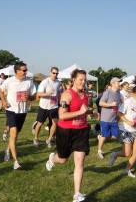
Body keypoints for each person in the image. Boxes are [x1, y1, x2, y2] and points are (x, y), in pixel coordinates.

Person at [45, 69, 91, 202]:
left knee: (80, 161)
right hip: (66, 131)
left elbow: (83, 111)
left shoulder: (85, 95)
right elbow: (62, 115)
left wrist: (90, 112)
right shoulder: (66, 95)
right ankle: (52, 158)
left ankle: (77, 194)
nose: (83, 82)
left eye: (84, 79)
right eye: (81, 79)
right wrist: (80, 112)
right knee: (63, 159)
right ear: (74, 80)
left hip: (82, 130)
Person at [108, 75, 136, 178]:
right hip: (125, 129)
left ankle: (127, 169)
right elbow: (119, 113)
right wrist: (128, 121)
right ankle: (115, 154)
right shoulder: (128, 101)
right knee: (127, 153)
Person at [0, 62, 36, 170]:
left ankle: (7, 150)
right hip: (11, 110)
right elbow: (1, 90)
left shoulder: (29, 82)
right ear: (17, 71)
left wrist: (28, 97)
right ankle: (16, 162)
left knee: (15, 136)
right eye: (24, 70)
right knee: (14, 134)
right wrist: (3, 101)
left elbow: (34, 96)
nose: (26, 72)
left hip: (22, 112)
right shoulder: (9, 81)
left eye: (26, 70)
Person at [32, 67, 60, 148]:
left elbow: (58, 93)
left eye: (57, 73)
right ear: (50, 73)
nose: (55, 75)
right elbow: (39, 94)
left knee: (55, 123)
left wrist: (60, 102)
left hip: (54, 106)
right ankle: (36, 139)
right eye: (54, 73)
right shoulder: (45, 82)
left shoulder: (58, 82)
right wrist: (47, 94)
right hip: (44, 107)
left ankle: (49, 139)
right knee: (40, 124)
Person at [97, 77, 122, 159]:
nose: (119, 83)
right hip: (105, 119)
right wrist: (110, 104)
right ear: (113, 83)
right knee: (104, 136)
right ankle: (99, 151)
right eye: (118, 82)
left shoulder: (118, 93)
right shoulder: (107, 92)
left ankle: (101, 137)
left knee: (115, 136)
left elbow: (120, 102)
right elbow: (100, 103)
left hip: (114, 119)